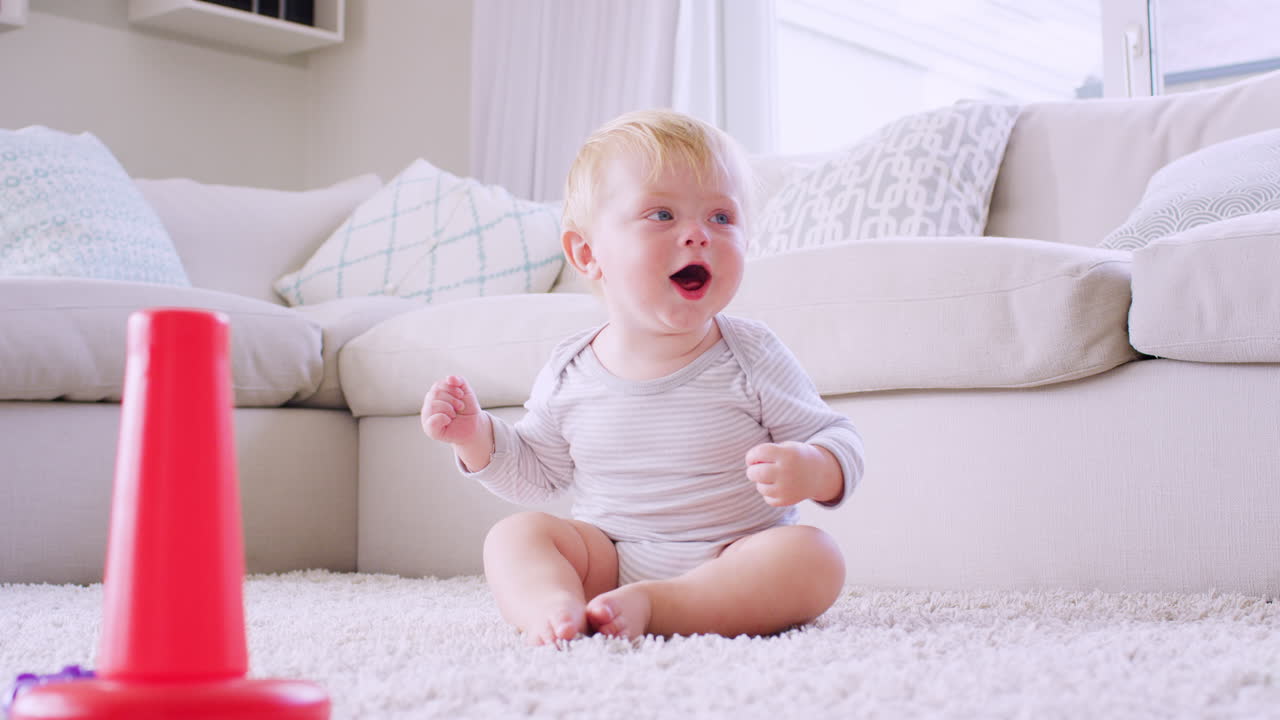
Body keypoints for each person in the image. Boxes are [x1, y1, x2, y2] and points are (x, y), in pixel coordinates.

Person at [420, 109, 864, 646]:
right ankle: (555, 608)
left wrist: (813, 467)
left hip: (733, 561)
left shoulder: (752, 354)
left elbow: (837, 436)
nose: (698, 235)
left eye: (721, 217)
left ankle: (660, 607)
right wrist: (475, 437)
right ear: (588, 254)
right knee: (513, 537)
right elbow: (537, 475)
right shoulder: (570, 370)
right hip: (608, 560)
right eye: (662, 214)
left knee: (814, 557)